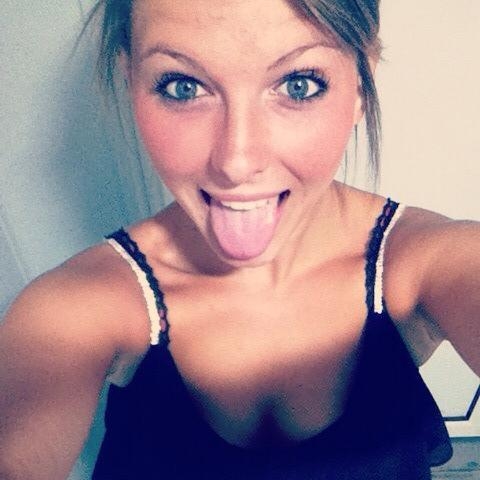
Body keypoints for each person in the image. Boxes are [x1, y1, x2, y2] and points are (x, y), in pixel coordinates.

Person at [1, 0, 479, 478]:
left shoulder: (432, 262)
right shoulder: (73, 308)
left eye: (298, 84)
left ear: (361, 85)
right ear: (132, 83)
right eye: (183, 87)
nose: (236, 161)